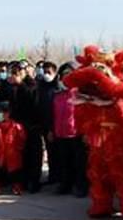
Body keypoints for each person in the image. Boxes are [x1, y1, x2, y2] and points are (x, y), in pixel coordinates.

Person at [1, 61, 41, 192]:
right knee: (20, 155)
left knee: (34, 155)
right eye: (13, 72)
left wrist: (21, 84)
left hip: (32, 125)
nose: (15, 75)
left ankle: (34, 182)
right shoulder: (12, 86)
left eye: (18, 72)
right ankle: (21, 181)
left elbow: (33, 101)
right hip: (18, 126)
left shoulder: (32, 84)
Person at [52, 62, 87, 197]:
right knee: (64, 161)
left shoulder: (80, 94)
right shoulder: (58, 95)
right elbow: (53, 114)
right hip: (61, 133)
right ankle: (65, 184)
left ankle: (81, 186)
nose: (66, 78)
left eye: (69, 74)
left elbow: (85, 115)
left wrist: (85, 132)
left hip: (76, 133)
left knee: (79, 162)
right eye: (64, 75)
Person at [0, 102, 26, 195]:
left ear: (8, 113)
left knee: (15, 172)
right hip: (0, 153)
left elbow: (22, 139)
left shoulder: (16, 126)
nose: (0, 114)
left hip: (13, 153)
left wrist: (17, 149)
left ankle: (16, 186)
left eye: (2, 112)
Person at [35, 62, 59, 185]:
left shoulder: (58, 87)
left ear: (55, 73)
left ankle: (59, 177)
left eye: (49, 72)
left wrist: (52, 128)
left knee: (57, 152)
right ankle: (52, 176)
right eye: (44, 72)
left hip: (57, 125)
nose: (46, 74)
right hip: (44, 124)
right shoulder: (41, 87)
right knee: (50, 152)